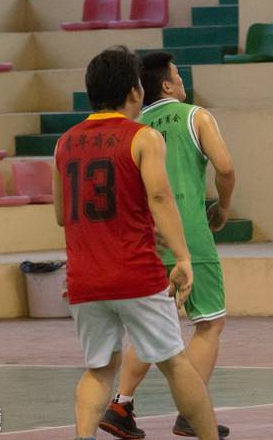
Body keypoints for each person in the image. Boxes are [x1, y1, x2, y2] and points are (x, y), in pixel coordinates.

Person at [54, 46, 218, 440]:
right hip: (135, 274)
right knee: (175, 363)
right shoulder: (142, 137)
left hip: (84, 279)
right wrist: (182, 256)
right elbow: (160, 198)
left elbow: (62, 214)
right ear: (134, 91)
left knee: (99, 370)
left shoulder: (64, 143)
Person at [100, 52, 237, 440]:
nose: (181, 81)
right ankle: (192, 412)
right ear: (166, 85)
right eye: (177, 75)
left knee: (152, 325)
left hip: (145, 236)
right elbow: (226, 168)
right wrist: (223, 208)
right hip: (187, 234)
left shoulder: (134, 127)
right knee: (209, 322)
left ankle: (121, 405)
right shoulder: (196, 116)